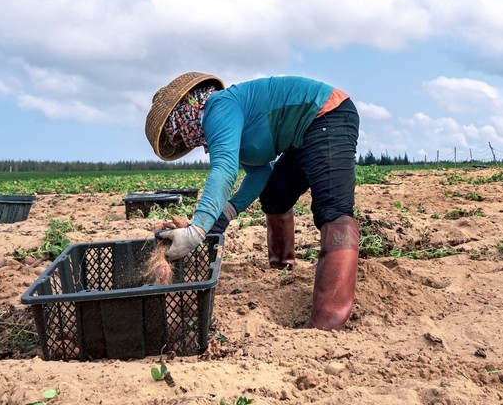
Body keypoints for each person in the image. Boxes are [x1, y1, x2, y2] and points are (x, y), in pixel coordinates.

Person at [145, 71, 361, 330]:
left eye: (177, 133)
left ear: (185, 111)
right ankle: (282, 268)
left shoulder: (219, 107)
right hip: (302, 136)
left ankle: (328, 319)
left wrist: (197, 230)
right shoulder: (230, 125)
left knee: (333, 210)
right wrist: (225, 214)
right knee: (274, 198)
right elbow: (261, 172)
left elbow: (224, 169)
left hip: (326, 115)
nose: (181, 139)